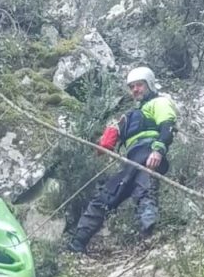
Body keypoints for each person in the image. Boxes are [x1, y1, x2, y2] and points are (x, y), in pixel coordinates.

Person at [67, 66, 178, 254]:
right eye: (132, 86)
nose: (135, 90)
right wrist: (106, 141)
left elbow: (167, 127)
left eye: (139, 85)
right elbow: (112, 136)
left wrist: (158, 151)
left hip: (148, 154)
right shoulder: (127, 117)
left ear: (149, 84)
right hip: (131, 160)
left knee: (145, 194)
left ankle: (151, 238)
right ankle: (77, 243)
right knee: (105, 197)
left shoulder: (159, 103)